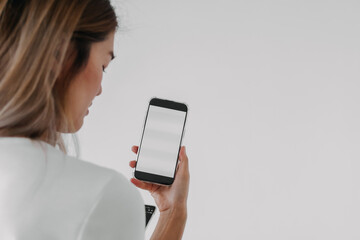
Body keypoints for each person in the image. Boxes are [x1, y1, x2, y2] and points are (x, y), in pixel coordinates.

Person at [0, 0, 190, 239]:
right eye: (103, 65)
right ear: (65, 54)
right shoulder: (104, 194)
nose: (100, 89)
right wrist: (175, 212)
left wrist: (172, 211)